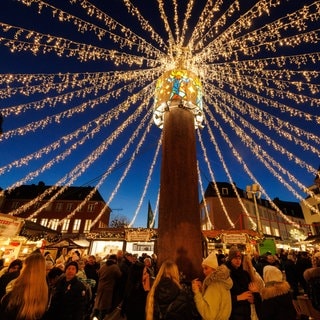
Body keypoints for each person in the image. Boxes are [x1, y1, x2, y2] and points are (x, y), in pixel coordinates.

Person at [0, 253, 48, 320]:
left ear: (26, 270)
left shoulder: (16, 294)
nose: (20, 270)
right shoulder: (44, 294)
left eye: (23, 267)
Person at [192, 252, 232, 319]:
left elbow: (209, 315)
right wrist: (202, 289)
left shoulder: (214, 285)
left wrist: (197, 293)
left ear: (214, 269)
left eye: (206, 268)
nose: (204, 271)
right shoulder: (222, 281)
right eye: (203, 269)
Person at [225, 246, 261, 320]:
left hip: (246, 313)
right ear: (230, 259)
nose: (238, 260)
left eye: (239, 258)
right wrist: (237, 298)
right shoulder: (225, 275)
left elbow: (252, 291)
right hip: (232, 314)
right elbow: (222, 298)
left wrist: (253, 298)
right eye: (235, 258)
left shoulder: (245, 274)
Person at [91, 254, 122, 320]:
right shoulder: (115, 267)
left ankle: (94, 316)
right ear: (115, 260)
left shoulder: (103, 266)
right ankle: (101, 318)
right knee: (104, 306)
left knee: (98, 303)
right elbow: (119, 275)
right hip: (108, 288)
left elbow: (98, 273)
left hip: (100, 287)